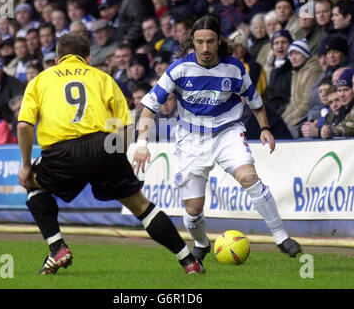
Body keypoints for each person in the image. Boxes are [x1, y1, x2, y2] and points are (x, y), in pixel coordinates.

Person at [17, 32, 203, 275]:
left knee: (32, 183)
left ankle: (57, 248)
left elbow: (23, 126)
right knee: (141, 206)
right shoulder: (103, 78)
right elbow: (126, 126)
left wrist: (25, 164)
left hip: (62, 152)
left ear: (57, 59)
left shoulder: (40, 80)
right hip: (104, 146)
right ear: (89, 58)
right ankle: (189, 261)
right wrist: (117, 158)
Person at [133, 15, 301, 265]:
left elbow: (256, 103)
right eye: (199, 42)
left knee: (248, 177)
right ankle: (201, 243)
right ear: (192, 41)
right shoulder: (178, 69)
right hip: (191, 139)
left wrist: (265, 128)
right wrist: (142, 144)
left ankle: (281, 236)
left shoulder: (235, 68)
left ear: (218, 40)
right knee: (192, 210)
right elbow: (149, 108)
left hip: (227, 133)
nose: (205, 48)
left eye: (210, 41)